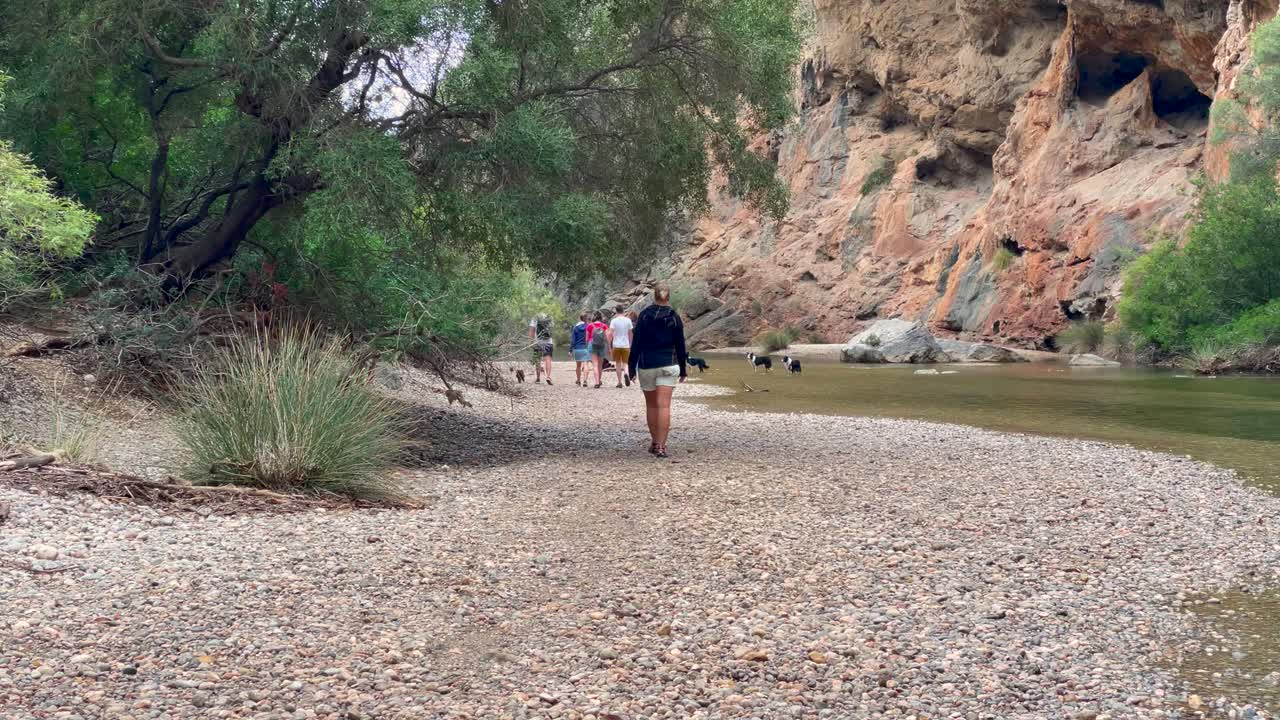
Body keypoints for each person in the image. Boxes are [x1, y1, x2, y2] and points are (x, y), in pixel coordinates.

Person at [627, 285, 687, 458]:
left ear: (654, 296)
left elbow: (636, 342)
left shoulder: (645, 315)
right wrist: (683, 368)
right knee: (664, 406)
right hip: (669, 363)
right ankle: (661, 446)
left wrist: (632, 367)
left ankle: (654, 442)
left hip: (647, 364)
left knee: (652, 405)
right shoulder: (674, 317)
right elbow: (680, 345)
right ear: (668, 297)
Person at [607, 305, 634, 388]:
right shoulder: (628, 320)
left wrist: (609, 345)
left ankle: (619, 382)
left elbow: (610, 333)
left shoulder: (614, 321)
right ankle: (626, 373)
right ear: (623, 310)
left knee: (618, 363)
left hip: (616, 345)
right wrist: (630, 344)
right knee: (625, 363)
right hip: (626, 345)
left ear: (616, 311)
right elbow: (630, 334)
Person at [528, 313, 554, 384]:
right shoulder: (549, 317)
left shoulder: (535, 317)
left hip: (538, 342)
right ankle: (548, 376)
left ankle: (538, 378)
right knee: (548, 359)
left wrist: (530, 342)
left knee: (537, 359)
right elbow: (552, 330)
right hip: (549, 342)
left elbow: (531, 330)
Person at [586, 310, 609, 389]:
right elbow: (607, 338)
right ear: (601, 317)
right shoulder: (604, 326)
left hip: (593, 346)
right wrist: (609, 347)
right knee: (600, 365)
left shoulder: (590, 326)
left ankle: (596, 382)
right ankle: (599, 380)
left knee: (595, 365)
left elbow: (587, 338)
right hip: (602, 346)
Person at [570, 312, 591, 386]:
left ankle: (578, 380)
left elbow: (573, 340)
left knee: (578, 366)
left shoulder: (576, 327)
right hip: (586, 348)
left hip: (577, 348)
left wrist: (570, 350)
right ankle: (585, 380)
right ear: (586, 319)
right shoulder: (588, 326)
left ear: (580, 318)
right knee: (586, 364)